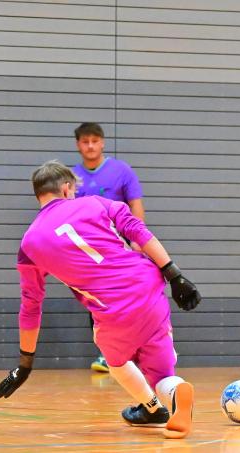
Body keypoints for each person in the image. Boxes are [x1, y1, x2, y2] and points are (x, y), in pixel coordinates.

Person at [0, 161, 201, 439]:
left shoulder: (29, 245)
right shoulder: (96, 203)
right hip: (148, 286)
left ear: (39, 194)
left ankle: (152, 408)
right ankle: (175, 391)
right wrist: (174, 275)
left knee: (115, 362)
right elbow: (137, 229)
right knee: (162, 372)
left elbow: (30, 307)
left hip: (111, 309)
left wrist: (25, 363)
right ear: (66, 188)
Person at [73, 122, 145, 372]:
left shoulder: (121, 170)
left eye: (95, 140)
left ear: (102, 142)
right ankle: (107, 353)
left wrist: (139, 240)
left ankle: (136, 350)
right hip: (88, 253)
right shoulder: (71, 177)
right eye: (85, 141)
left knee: (128, 299)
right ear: (78, 145)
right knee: (97, 302)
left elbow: (136, 205)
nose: (90, 146)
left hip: (119, 248)